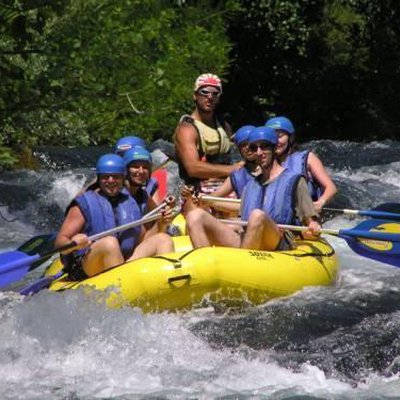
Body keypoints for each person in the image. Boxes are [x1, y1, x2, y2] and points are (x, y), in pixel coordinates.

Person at [183, 127, 321, 251]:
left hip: (279, 240)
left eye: (264, 147)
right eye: (254, 148)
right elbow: (242, 221)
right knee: (195, 216)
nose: (259, 152)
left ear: (274, 148)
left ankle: (243, 265)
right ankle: (206, 267)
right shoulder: (250, 186)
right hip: (249, 239)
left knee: (257, 215)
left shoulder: (296, 181)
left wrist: (313, 228)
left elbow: (311, 221)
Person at [55, 154, 175, 280]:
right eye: (106, 177)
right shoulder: (84, 204)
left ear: (123, 178)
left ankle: (166, 286)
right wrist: (74, 243)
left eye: (116, 177)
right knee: (109, 243)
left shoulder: (130, 202)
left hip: (120, 262)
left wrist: (160, 224)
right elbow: (59, 243)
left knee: (163, 239)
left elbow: (140, 241)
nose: (111, 180)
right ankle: (125, 291)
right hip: (87, 265)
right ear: (99, 179)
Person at [174, 73, 243, 197]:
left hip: (227, 190)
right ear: (195, 95)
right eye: (204, 92)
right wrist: (233, 170)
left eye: (215, 93)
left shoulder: (223, 126)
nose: (210, 97)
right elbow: (193, 168)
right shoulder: (186, 129)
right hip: (196, 193)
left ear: (219, 98)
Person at [265, 116, 337, 212]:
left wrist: (321, 202)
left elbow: (331, 188)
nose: (276, 141)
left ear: (291, 138)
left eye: (280, 136)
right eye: (272, 137)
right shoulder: (264, 161)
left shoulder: (308, 158)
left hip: (306, 217)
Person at [190, 125, 258, 216]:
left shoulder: (272, 169)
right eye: (243, 145)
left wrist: (211, 201)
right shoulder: (238, 174)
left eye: (250, 144)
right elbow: (214, 196)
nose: (247, 148)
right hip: (246, 219)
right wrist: (203, 198)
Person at [114, 135, 162, 203]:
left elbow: (157, 212)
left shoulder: (150, 184)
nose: (141, 171)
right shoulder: (111, 185)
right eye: (121, 156)